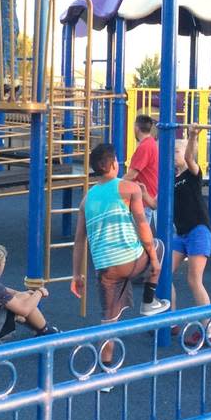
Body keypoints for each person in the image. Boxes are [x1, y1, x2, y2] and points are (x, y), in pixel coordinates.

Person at [72, 143, 170, 361]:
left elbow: (79, 241)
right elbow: (143, 224)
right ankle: (148, 301)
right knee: (159, 245)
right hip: (131, 261)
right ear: (114, 164)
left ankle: (105, 372)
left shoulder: (86, 199)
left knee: (108, 320)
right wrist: (154, 260)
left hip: (106, 270)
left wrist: (76, 275)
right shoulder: (128, 188)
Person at [170, 126, 211, 345]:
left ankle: (210, 330)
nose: (174, 155)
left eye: (177, 151)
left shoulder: (193, 174)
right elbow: (155, 203)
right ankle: (172, 320)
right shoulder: (170, 179)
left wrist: (192, 137)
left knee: (194, 280)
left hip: (198, 230)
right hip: (182, 234)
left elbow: (189, 156)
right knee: (162, 275)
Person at [124, 114, 158, 228]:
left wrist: (114, 184)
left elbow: (132, 174)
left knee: (138, 236)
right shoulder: (151, 143)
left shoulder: (145, 146)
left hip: (143, 199)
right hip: (148, 196)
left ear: (136, 128)